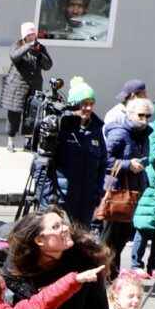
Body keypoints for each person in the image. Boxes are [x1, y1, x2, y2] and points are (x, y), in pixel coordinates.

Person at [3, 209, 110, 309]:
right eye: (56, 227)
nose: (66, 229)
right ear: (39, 240)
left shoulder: (85, 267)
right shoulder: (12, 273)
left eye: (63, 224)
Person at [36, 81, 108, 225]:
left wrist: (97, 193)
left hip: (85, 206)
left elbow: (102, 164)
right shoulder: (58, 126)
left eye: (91, 103)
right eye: (83, 103)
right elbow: (40, 168)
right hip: (61, 205)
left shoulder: (96, 130)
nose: (88, 108)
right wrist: (50, 198)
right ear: (73, 104)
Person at [98, 92, 152, 266]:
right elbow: (104, 159)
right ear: (129, 115)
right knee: (110, 240)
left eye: (148, 116)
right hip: (117, 193)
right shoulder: (120, 133)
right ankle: (105, 277)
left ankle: (113, 276)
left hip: (132, 194)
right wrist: (128, 165)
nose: (144, 119)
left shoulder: (144, 136)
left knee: (121, 240)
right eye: (140, 115)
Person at [0, 22, 53, 151]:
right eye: (29, 34)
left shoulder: (40, 47)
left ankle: (27, 141)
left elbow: (48, 65)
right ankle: (10, 140)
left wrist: (39, 55)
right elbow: (14, 57)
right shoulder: (17, 45)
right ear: (24, 36)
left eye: (33, 34)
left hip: (34, 86)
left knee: (31, 115)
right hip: (17, 86)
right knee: (14, 114)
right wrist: (28, 47)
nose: (32, 36)